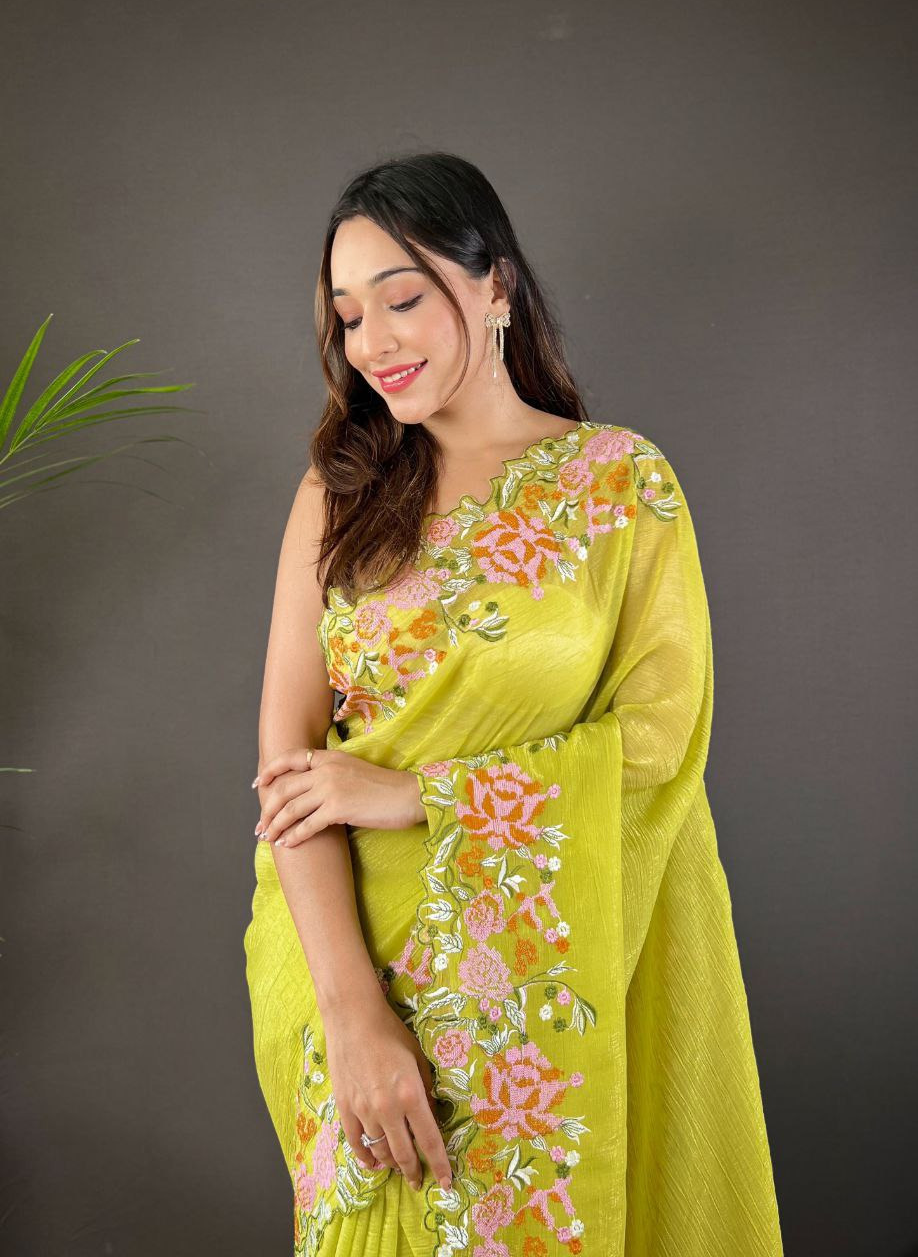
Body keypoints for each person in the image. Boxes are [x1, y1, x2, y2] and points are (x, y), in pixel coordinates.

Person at [243, 151, 784, 1256]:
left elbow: (660, 737)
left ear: (496, 285)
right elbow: (290, 770)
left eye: (402, 298)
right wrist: (352, 1014)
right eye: (349, 316)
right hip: (348, 958)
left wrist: (420, 793)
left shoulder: (617, 483)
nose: (373, 342)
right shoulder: (338, 492)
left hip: (536, 974)